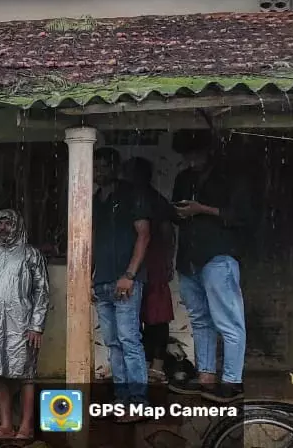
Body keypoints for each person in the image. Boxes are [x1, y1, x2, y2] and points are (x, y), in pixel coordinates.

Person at [167, 130, 248, 403]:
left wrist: (202, 209)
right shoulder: (183, 179)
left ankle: (233, 380)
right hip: (189, 259)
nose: (190, 160)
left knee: (229, 320)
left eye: (195, 154)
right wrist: (178, 212)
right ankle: (206, 376)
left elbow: (241, 216)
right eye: (186, 156)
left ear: (208, 152)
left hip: (218, 256)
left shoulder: (230, 178)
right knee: (201, 320)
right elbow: (176, 216)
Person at [0, 209, 51, 442]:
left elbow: (42, 291)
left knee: (26, 373)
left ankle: (26, 427)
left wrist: (37, 325)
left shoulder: (31, 254)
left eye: (8, 223)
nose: (3, 227)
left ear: (17, 225)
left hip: (23, 324)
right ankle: (5, 425)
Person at [91, 147, 151, 419]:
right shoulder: (95, 199)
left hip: (126, 280)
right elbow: (90, 238)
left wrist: (129, 274)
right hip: (101, 281)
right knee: (113, 342)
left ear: (115, 167)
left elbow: (144, 235)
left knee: (129, 340)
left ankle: (138, 402)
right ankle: (121, 399)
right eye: (96, 166)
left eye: (103, 166)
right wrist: (87, 277)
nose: (98, 171)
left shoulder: (131, 194)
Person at [123, 156, 175, 385]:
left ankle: (158, 364)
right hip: (131, 263)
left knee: (157, 315)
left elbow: (167, 232)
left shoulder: (155, 200)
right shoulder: (125, 199)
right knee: (134, 316)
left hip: (153, 261)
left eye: (135, 174)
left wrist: (168, 260)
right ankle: (142, 365)